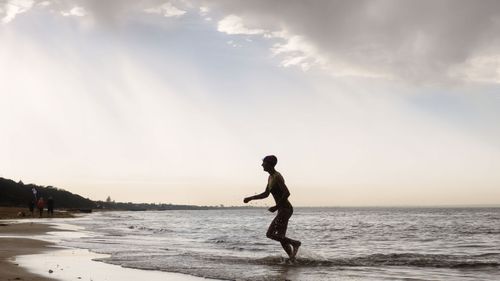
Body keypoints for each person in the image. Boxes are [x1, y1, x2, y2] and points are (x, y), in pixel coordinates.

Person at [243, 155, 301, 261]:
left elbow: (287, 193)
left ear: (269, 164)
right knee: (281, 237)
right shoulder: (270, 177)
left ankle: (295, 243)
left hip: (285, 209)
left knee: (270, 234)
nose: (262, 165)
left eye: (264, 163)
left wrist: (276, 206)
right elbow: (266, 194)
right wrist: (251, 198)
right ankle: (292, 259)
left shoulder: (277, 176)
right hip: (282, 209)